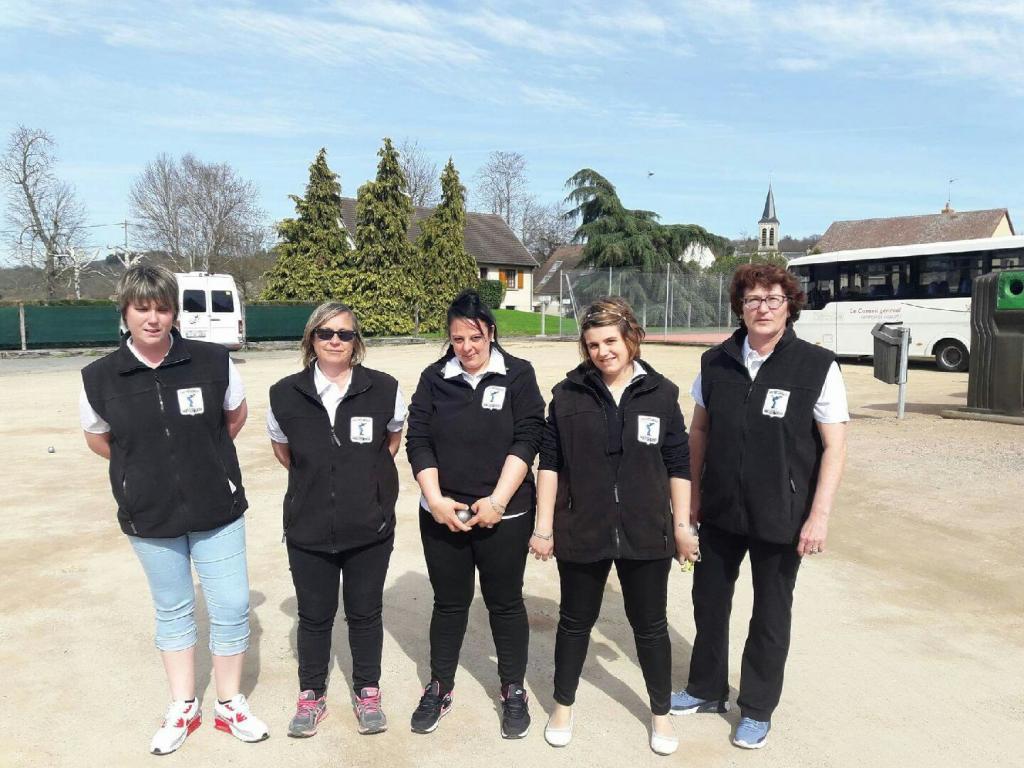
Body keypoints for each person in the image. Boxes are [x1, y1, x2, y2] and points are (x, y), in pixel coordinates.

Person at [79, 263, 268, 756]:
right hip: (149, 514)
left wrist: (201, 459)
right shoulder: (99, 377)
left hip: (217, 507)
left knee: (228, 606)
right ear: (125, 312)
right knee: (174, 609)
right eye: (143, 308)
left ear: (174, 313)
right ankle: (184, 704)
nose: (154, 318)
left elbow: (234, 416)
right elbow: (100, 438)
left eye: (163, 308)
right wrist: (142, 470)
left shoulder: (211, 361)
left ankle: (229, 704)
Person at [670, 263, 848, 750]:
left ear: (790, 305)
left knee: (770, 613)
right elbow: (699, 431)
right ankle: (706, 689)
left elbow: (834, 446)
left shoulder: (817, 365)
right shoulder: (717, 362)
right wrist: (692, 500)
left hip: (781, 514)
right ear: (740, 308)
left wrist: (819, 515)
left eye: (773, 299)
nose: (763, 308)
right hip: (721, 509)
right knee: (708, 602)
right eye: (752, 300)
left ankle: (757, 707)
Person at [530, 297, 699, 756]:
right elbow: (551, 462)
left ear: (631, 336)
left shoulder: (661, 393)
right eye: (592, 344)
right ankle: (562, 705)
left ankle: (660, 713)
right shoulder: (567, 395)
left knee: (650, 627)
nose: (603, 351)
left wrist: (682, 525)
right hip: (582, 528)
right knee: (574, 621)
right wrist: (544, 527)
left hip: (647, 532)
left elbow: (678, 462)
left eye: (610, 341)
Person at [405, 289, 545, 738]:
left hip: (503, 514)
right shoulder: (434, 378)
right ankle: (440, 685)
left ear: (491, 333)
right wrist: (437, 498)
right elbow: (418, 440)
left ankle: (512, 690)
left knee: (505, 604)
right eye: (457, 338)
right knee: (449, 604)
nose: (466, 347)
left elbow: (528, 438)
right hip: (444, 513)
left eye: (475, 337)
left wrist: (499, 501)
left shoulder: (518, 375)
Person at [266, 301, 406, 738]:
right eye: (325, 333)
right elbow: (284, 452)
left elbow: (392, 442)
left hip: (369, 528)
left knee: (365, 613)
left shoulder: (384, 388)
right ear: (311, 339)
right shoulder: (283, 393)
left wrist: (361, 485)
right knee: (314, 616)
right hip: (308, 530)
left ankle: (367, 691)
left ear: (356, 341)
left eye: (344, 334)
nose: (334, 341)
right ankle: (311, 694)